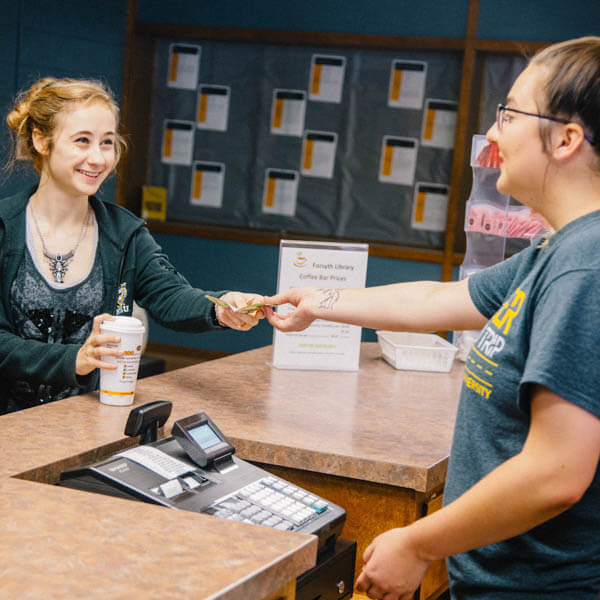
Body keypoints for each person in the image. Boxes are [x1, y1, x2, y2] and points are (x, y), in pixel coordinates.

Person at [264, 37, 600, 599]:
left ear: (566, 139)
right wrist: (317, 303)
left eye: (510, 114)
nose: (493, 133)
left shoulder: (584, 267)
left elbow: (557, 473)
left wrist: (420, 543)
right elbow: (436, 301)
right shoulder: (555, 251)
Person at [0, 77, 265, 415]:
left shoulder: (124, 233)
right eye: (82, 141)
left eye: (107, 143)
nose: (97, 158)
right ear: (41, 140)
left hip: (86, 426)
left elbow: (170, 296)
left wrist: (220, 306)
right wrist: (75, 359)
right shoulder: (4, 227)